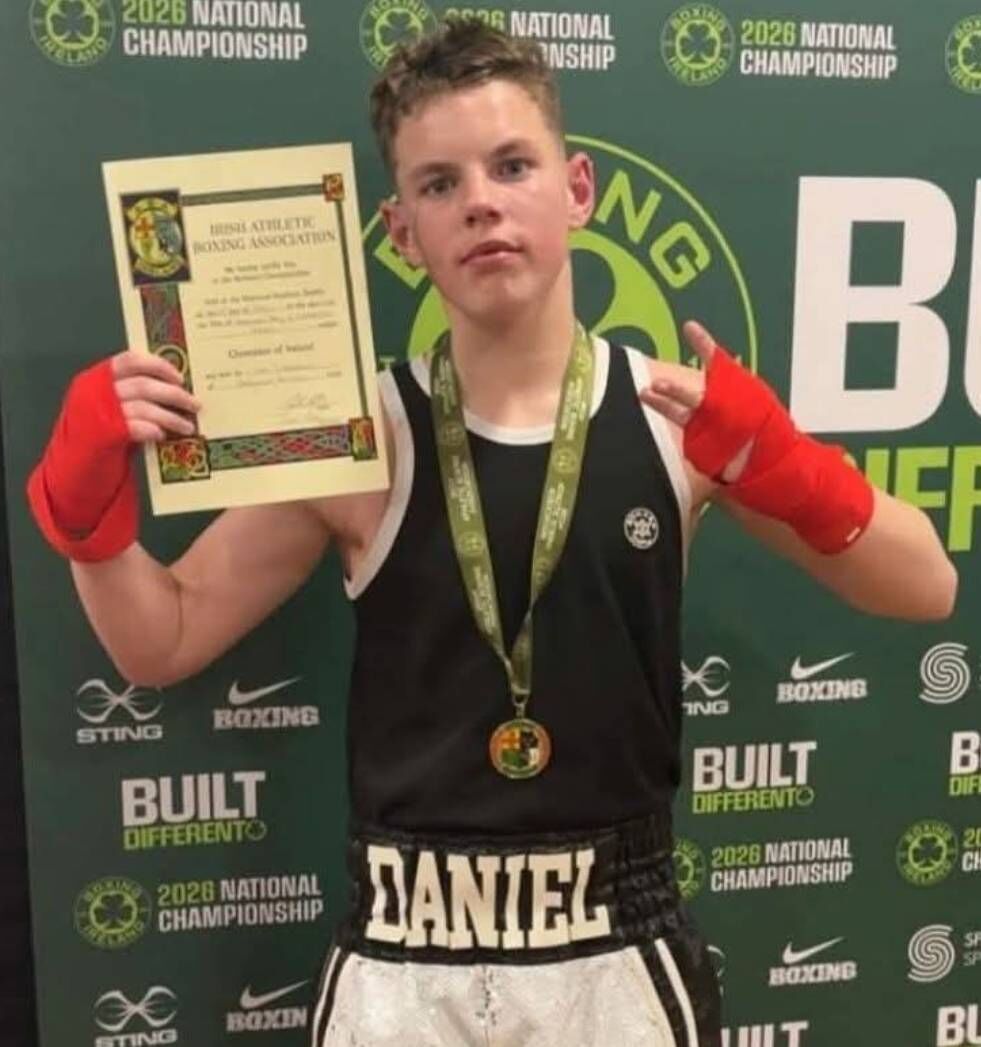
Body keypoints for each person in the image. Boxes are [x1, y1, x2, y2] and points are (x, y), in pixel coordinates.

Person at [27, 18, 956, 1047]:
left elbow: (924, 587)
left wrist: (785, 464)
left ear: (578, 191)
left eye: (512, 164)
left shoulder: (676, 418)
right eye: (437, 184)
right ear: (400, 232)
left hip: (617, 944)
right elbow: (160, 639)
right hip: (401, 955)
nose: (479, 200)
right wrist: (88, 510)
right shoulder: (358, 434)